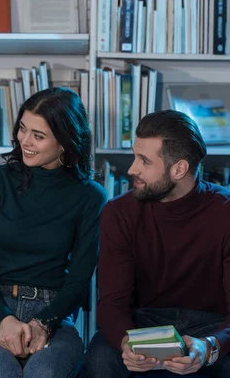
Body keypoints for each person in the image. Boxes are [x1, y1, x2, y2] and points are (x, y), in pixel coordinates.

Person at [0, 87, 107, 378]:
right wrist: (5, 319)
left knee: (44, 374)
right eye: (22, 129)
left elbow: (78, 281)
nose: (25, 140)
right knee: (0, 373)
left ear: (64, 142)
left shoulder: (91, 197)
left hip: (54, 314)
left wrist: (43, 323)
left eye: (38, 135)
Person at [84, 110, 230, 378]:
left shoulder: (225, 212)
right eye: (134, 156)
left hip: (210, 325)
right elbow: (112, 303)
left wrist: (209, 346)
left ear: (179, 169)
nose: (131, 169)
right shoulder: (119, 212)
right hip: (142, 323)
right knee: (100, 360)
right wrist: (127, 343)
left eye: (144, 161)